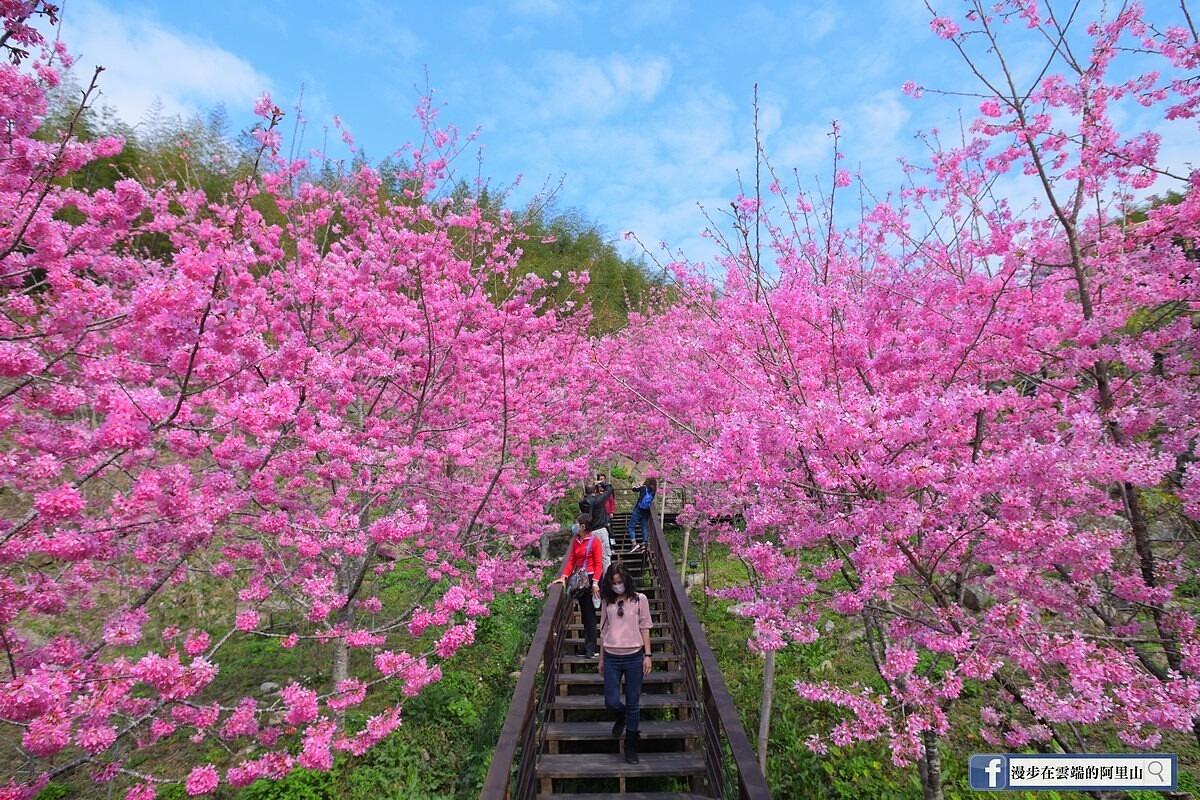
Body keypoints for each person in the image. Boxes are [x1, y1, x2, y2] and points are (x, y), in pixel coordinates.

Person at [598, 562, 653, 764]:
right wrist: (601, 658)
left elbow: (645, 627)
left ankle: (631, 746)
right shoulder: (607, 601)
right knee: (611, 701)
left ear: (626, 581)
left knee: (633, 703)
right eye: (613, 582)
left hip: (634, 656)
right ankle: (619, 716)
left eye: (620, 582)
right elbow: (603, 631)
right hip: (612, 656)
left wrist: (648, 656)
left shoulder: (640, 600)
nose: (617, 586)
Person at [551, 520, 603, 658]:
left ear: (583, 526)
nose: (574, 526)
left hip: (590, 579)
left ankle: (592, 648)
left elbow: (599, 564)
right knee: (584, 613)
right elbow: (571, 560)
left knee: (590, 614)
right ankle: (587, 646)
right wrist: (564, 577)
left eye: (576, 523)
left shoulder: (594, 541)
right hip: (580, 579)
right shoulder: (577, 541)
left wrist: (596, 582)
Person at [628, 476, 657, 553]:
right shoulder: (653, 490)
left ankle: (634, 544)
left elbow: (634, 489)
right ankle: (644, 545)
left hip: (638, 509)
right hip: (646, 511)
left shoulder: (644, 488)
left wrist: (640, 485)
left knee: (631, 526)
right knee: (644, 527)